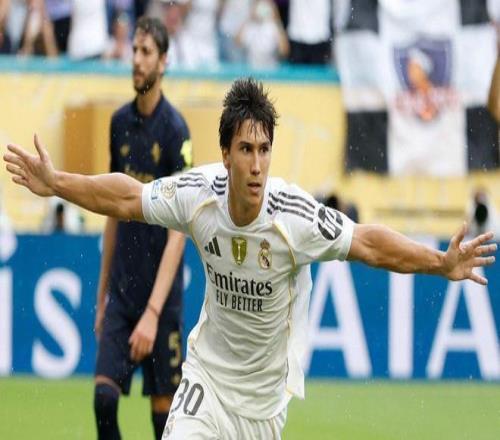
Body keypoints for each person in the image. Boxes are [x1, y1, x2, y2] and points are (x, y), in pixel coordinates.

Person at [3, 78, 497, 439]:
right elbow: (128, 197)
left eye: (264, 149)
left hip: (262, 409)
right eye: (245, 149)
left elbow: (367, 242)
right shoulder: (199, 195)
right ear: (225, 154)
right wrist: (57, 183)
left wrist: (439, 262)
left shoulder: (294, 216)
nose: (257, 165)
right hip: (207, 382)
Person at [94, 16, 191, 440]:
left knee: (163, 424)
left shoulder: (175, 131)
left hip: (160, 303)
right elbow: (112, 210)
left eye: (146, 52)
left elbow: (179, 232)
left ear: (163, 61)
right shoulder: (118, 123)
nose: (136, 60)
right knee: (104, 401)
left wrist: (153, 314)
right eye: (134, 50)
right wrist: (102, 297)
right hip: (121, 293)